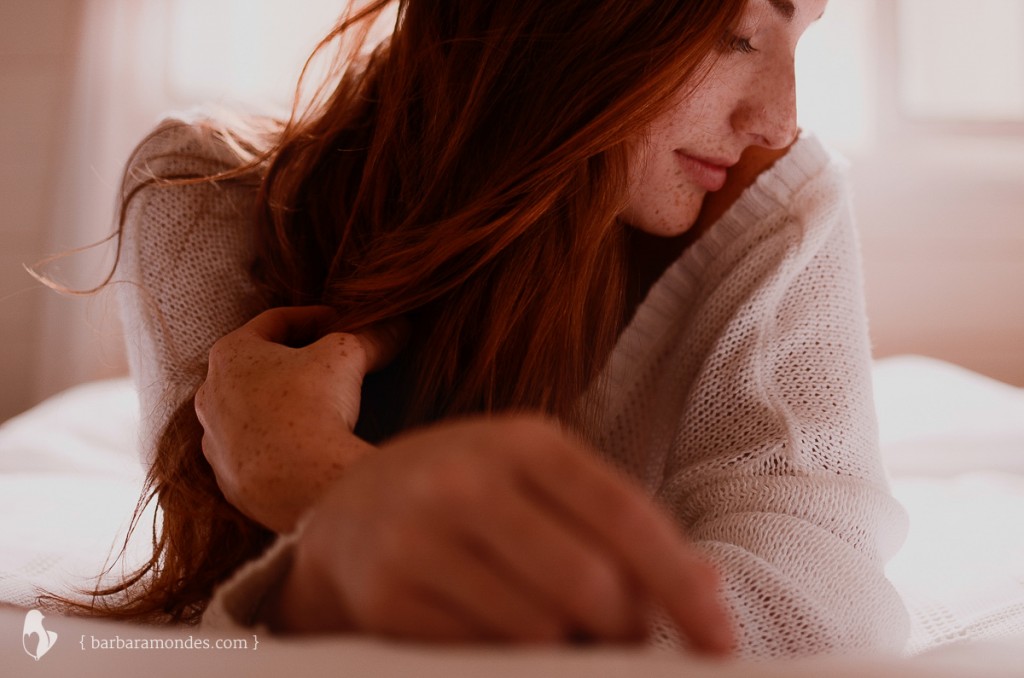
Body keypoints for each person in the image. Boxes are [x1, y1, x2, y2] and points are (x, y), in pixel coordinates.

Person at [102, 0, 909, 658]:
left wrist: (318, 478)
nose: (778, 120)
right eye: (736, 33)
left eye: (801, 36)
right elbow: (243, 622)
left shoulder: (772, 207)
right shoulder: (205, 198)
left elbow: (820, 614)